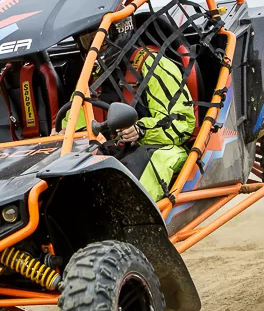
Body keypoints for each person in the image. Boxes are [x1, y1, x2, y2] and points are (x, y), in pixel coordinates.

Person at [63, 17, 195, 201]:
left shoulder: (154, 65)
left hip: (159, 147)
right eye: (88, 42)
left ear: (119, 31)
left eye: (98, 39)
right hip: (109, 152)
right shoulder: (88, 80)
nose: (94, 48)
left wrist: (141, 130)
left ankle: (135, 219)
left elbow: (181, 122)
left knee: (150, 160)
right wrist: (63, 134)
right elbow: (72, 128)